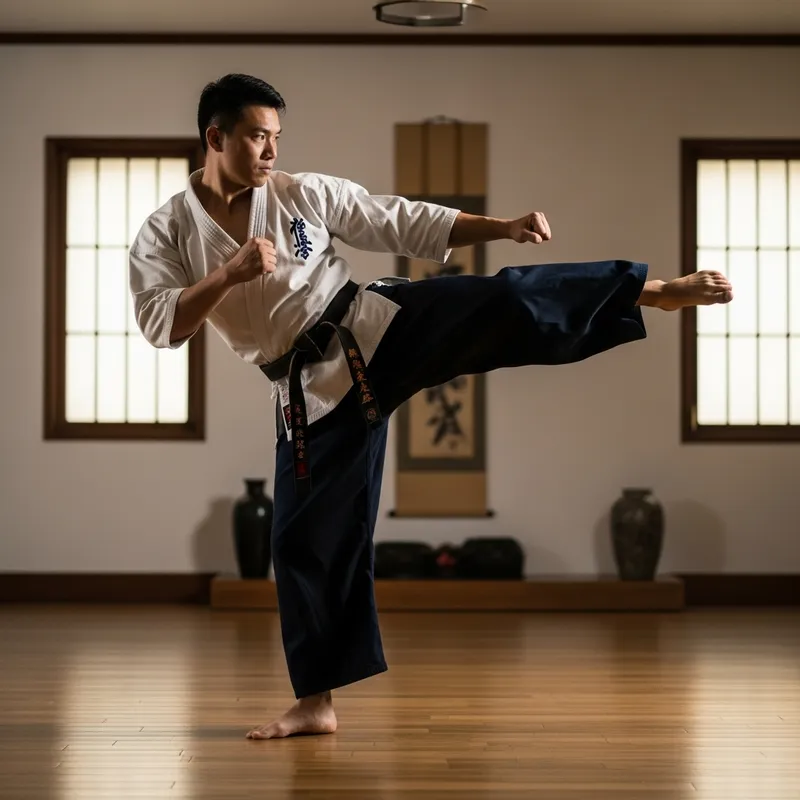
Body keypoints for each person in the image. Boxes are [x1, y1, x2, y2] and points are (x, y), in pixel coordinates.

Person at [129, 73, 733, 740]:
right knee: (302, 542)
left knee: (498, 302)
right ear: (215, 137)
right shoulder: (166, 232)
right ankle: (316, 702)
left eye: (276, 138)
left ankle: (649, 292)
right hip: (310, 394)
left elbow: (395, 216)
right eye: (255, 137)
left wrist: (500, 226)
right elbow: (163, 325)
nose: (271, 152)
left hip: (374, 328)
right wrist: (229, 274)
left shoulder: (298, 193)